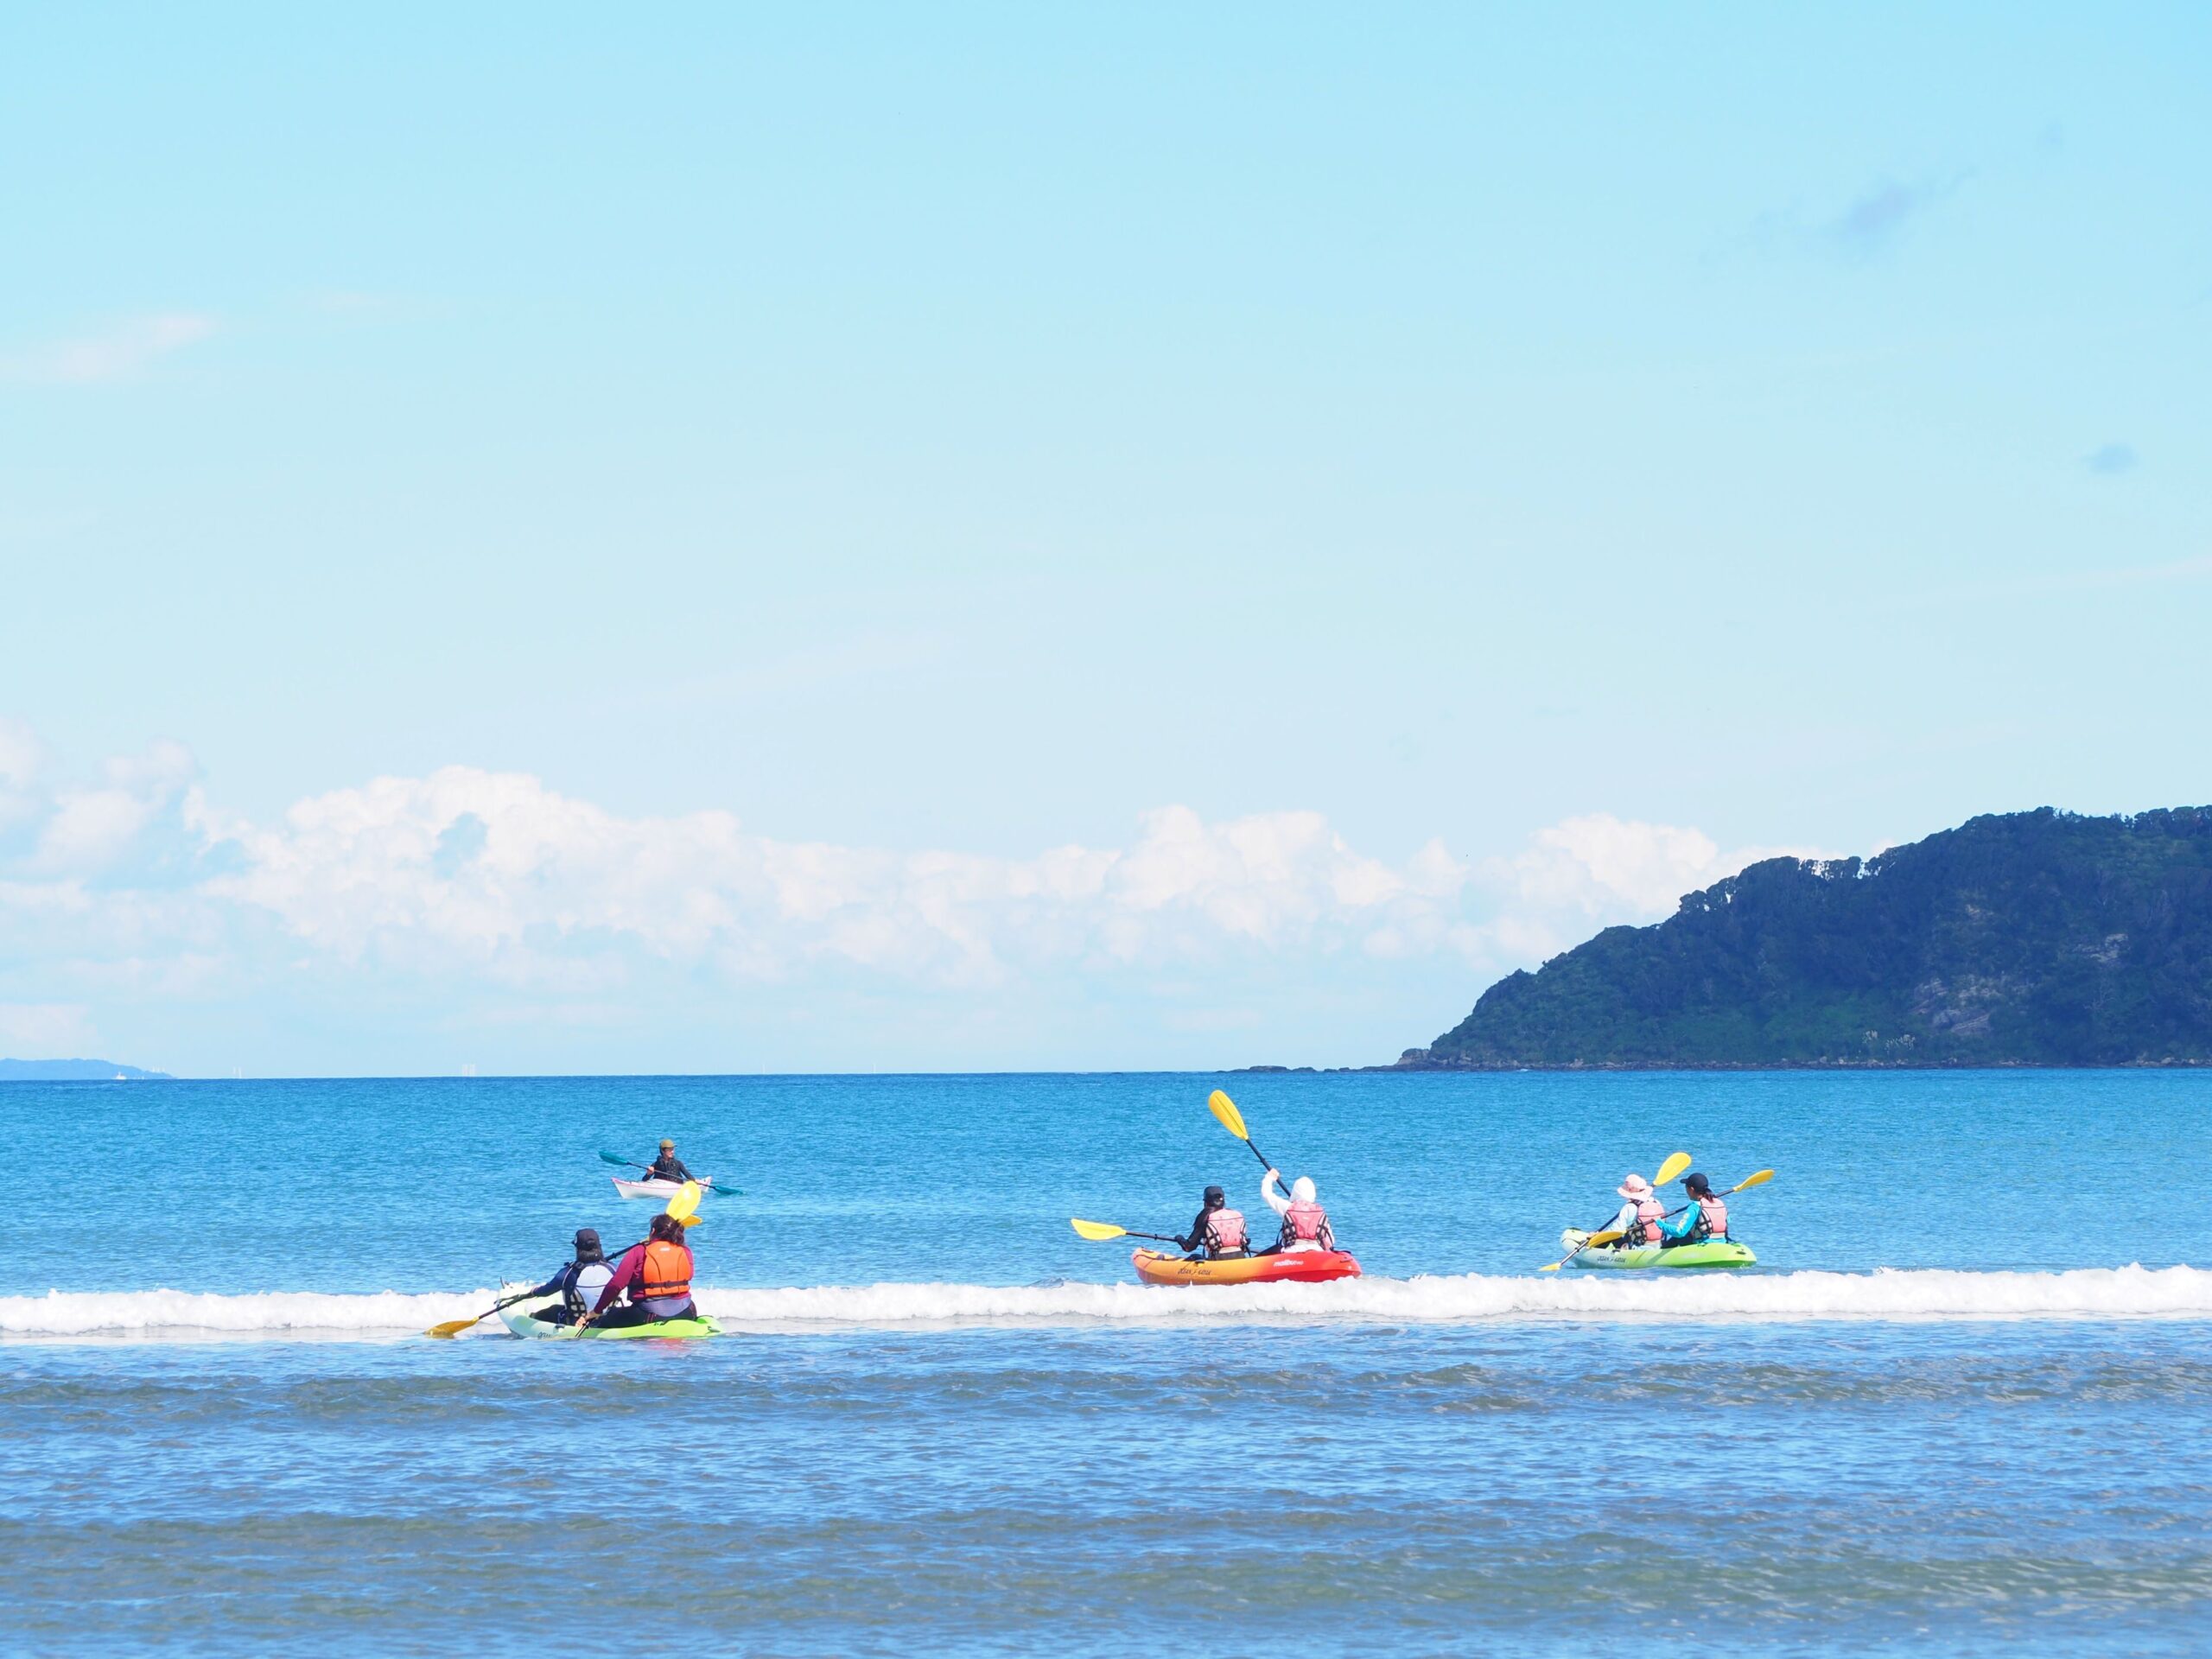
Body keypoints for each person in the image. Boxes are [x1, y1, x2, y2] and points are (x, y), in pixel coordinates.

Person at [582, 1211, 696, 1330]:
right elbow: (689, 1275)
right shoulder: (685, 1251)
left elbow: (616, 1285)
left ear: (652, 1231)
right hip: (687, 1312)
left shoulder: (638, 1251)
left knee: (609, 1316)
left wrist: (597, 1311)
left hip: (650, 1316)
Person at [518, 1227, 613, 1326]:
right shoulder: (612, 1268)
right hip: (607, 1320)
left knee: (553, 1310)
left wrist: (535, 1291)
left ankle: (529, 1321)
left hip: (575, 1323)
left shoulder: (568, 1273)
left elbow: (546, 1291)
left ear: (578, 1249)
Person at [1261, 1167, 1334, 1252]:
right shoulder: (1320, 1212)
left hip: (1292, 1251)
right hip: (1317, 1251)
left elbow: (1267, 1194)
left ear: (1295, 1192)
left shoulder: (1288, 1208)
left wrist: (1269, 1177)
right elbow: (1330, 1240)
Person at [1175, 1185, 1249, 1260]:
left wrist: (1179, 1238)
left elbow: (1188, 1247)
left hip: (1218, 1260)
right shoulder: (1236, 1215)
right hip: (1241, 1257)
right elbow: (1246, 1242)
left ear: (1206, 1202)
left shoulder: (1205, 1217)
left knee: (1194, 1257)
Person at [1659, 1173, 1730, 1248]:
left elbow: (1679, 1232)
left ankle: (1661, 1252)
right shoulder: (1719, 1203)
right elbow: (1727, 1221)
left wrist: (1660, 1223)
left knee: (1677, 1237)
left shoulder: (1694, 1207)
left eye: (1686, 1188)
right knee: (1689, 1232)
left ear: (1691, 1189)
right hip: (1722, 1242)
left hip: (1702, 1245)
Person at [1606, 1173, 1666, 1247]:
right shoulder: (1656, 1202)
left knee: (1611, 1236)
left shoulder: (1630, 1207)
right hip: (1658, 1244)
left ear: (1629, 1191)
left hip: (1636, 1247)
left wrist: (1598, 1235)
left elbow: (1616, 1230)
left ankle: (1596, 1250)